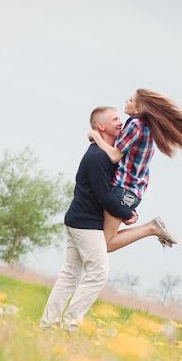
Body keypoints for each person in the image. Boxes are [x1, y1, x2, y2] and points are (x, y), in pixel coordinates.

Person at [39, 106, 141, 331]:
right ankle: (71, 326)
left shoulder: (102, 152)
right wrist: (126, 214)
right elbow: (103, 195)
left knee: (70, 275)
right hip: (86, 225)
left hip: (78, 221)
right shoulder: (97, 157)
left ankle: (48, 326)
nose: (120, 122)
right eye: (115, 119)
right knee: (98, 274)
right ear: (101, 127)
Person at [88, 88, 182, 252]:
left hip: (123, 191)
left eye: (131, 100)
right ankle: (150, 228)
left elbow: (114, 156)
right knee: (103, 236)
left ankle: (150, 228)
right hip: (131, 193)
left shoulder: (136, 126)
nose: (126, 102)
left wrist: (96, 136)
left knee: (106, 244)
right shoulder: (144, 126)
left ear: (139, 108)